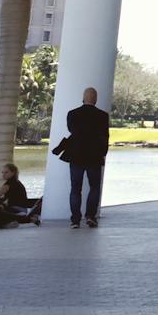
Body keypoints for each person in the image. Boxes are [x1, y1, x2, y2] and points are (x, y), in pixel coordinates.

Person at [61, 85, 110, 229]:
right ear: (96, 99)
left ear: (83, 98)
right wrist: (103, 153)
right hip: (94, 155)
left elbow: (71, 130)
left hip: (76, 155)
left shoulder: (72, 114)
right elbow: (105, 136)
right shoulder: (102, 115)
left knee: (75, 188)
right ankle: (90, 216)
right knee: (94, 187)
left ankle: (75, 220)